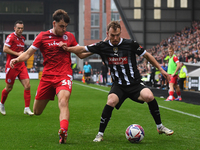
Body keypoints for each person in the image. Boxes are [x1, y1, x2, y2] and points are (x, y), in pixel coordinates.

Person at [62, 21, 174, 142]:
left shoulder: (130, 44)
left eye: (117, 35)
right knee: (111, 101)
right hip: (119, 85)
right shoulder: (102, 46)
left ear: (120, 33)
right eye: (112, 35)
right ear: (107, 34)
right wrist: (67, 48)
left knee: (149, 96)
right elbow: (82, 49)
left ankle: (160, 127)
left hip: (134, 83)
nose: (115, 38)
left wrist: (161, 69)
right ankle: (100, 134)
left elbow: (147, 55)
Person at [9, 9, 91, 144]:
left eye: (66, 27)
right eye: (61, 26)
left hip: (64, 75)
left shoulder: (69, 36)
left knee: (63, 101)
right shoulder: (42, 36)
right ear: (54, 23)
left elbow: (81, 53)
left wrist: (96, 49)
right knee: (36, 111)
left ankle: (63, 132)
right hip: (47, 78)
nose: (64, 29)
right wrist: (17, 60)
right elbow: (28, 53)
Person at [0, 20, 34, 116]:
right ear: (14, 28)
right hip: (11, 66)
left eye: (21, 28)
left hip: (21, 65)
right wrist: (17, 54)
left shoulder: (22, 39)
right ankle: (1, 104)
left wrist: (21, 57)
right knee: (9, 88)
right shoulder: (10, 37)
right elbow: (5, 49)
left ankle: (26, 108)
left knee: (27, 85)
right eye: (18, 28)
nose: (20, 30)